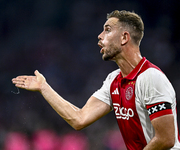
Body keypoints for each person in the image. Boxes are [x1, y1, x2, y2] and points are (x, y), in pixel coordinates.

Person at [12, 10, 180, 150]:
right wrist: (44, 87)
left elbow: (166, 139)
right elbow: (79, 119)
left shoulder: (151, 78)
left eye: (107, 30)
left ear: (124, 37)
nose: (100, 36)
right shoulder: (113, 80)